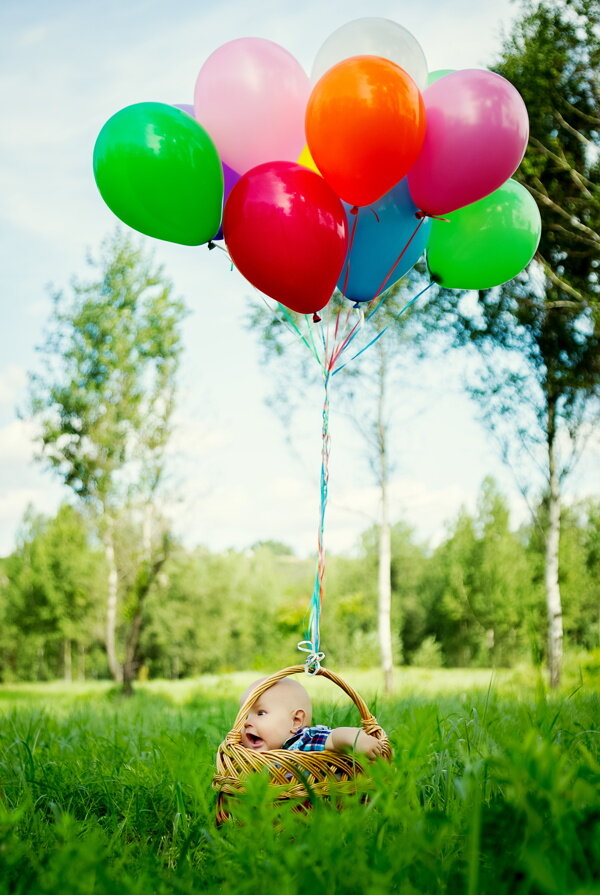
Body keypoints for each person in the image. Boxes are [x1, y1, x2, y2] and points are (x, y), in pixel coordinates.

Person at [239, 677, 385, 758]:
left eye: (261, 713)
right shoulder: (242, 751)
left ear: (296, 721)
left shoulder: (302, 741)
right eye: (245, 716)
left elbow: (333, 738)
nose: (247, 723)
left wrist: (355, 737)